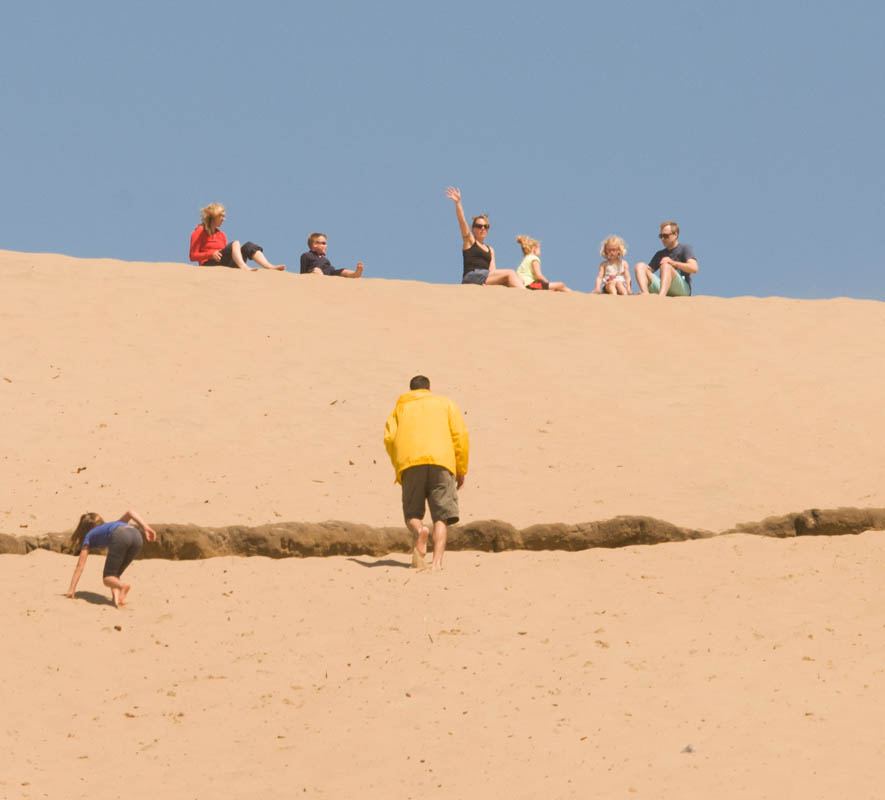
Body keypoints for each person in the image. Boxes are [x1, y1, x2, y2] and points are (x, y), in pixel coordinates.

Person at [383, 375, 469, 572]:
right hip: (442, 462)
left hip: (411, 463)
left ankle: (420, 530)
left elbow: (389, 439)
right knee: (441, 516)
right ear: (429, 389)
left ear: (411, 390)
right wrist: (461, 468)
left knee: (412, 514)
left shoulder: (400, 409)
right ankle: (437, 563)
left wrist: (400, 465)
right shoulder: (446, 404)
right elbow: (460, 436)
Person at [65, 509, 157, 607]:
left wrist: (71, 589)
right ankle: (117, 600)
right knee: (114, 575)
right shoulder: (113, 525)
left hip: (120, 535)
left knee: (107, 578)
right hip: (137, 536)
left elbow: (80, 566)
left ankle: (123, 586)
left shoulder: (88, 536)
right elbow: (130, 512)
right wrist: (146, 528)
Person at [445, 187, 524, 288]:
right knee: (510, 273)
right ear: (473, 229)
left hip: (485, 277)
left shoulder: (490, 250)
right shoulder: (470, 241)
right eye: (479, 226)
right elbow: (462, 221)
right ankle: (529, 296)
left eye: (485, 226)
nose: (482, 228)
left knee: (516, 279)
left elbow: (493, 271)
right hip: (472, 276)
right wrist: (458, 203)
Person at [189, 203, 285, 271]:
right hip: (208, 266)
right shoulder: (199, 231)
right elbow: (192, 256)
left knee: (249, 246)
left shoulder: (221, 234)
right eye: (221, 216)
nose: (224, 219)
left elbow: (225, 253)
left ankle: (269, 266)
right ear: (214, 216)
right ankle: (243, 266)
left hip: (224, 265)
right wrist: (211, 254)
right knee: (235, 243)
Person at [634, 221, 698, 296]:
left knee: (666, 265)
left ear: (675, 235)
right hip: (664, 288)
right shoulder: (660, 254)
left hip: (682, 290)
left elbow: (694, 268)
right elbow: (648, 271)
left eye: (666, 236)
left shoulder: (685, 248)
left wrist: (673, 263)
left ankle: (661, 298)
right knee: (640, 266)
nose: (662, 239)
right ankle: (645, 293)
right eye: (661, 236)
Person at [299, 233, 364, 278]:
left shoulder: (325, 259)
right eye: (323, 243)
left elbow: (330, 268)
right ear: (315, 244)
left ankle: (354, 274)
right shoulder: (306, 255)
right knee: (317, 270)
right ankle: (322, 280)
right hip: (315, 273)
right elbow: (303, 271)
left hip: (330, 272)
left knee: (342, 271)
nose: (326, 246)